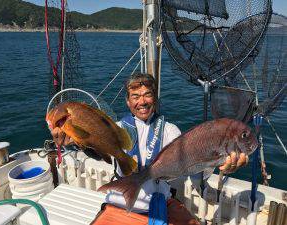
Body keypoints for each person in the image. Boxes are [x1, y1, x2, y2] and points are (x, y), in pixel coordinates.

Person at [50, 73, 249, 223]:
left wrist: (218, 165)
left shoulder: (171, 131)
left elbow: (193, 169)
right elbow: (99, 153)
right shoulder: (117, 129)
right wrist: (77, 142)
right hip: (118, 202)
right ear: (128, 102)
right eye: (135, 96)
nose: (142, 101)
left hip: (159, 204)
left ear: (155, 98)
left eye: (147, 95)